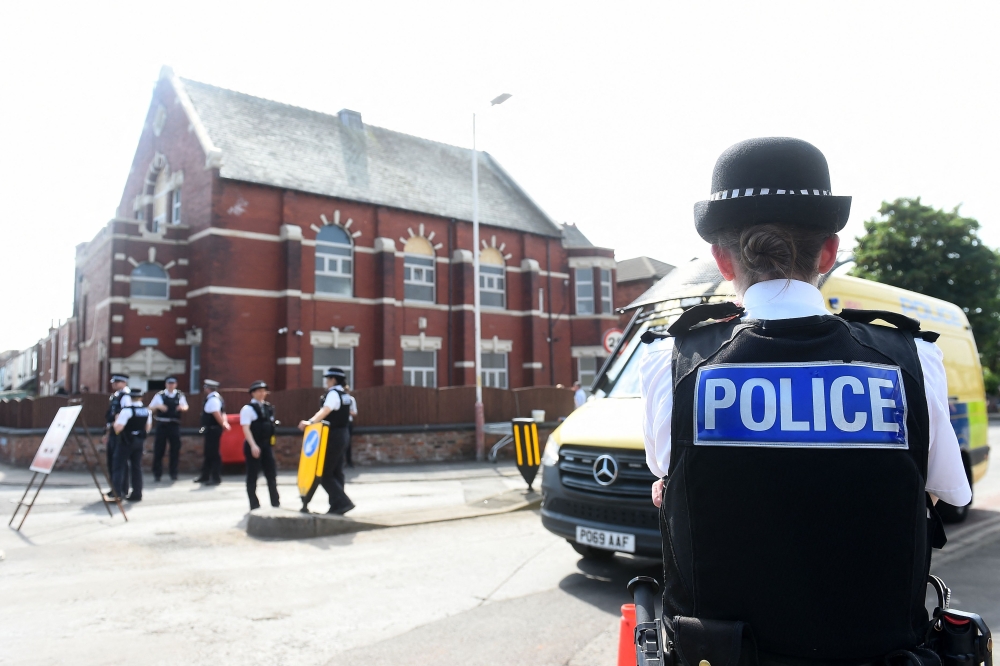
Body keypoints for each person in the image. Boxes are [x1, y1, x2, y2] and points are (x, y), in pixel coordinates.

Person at [640, 137, 972, 662]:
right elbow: (951, 492)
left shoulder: (672, 359)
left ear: (722, 260)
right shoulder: (908, 357)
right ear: (830, 250)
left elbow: (668, 472)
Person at [297, 367, 354, 514]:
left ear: (333, 380)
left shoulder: (333, 394)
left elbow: (326, 410)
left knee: (324, 472)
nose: (326, 382)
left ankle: (343, 502)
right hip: (344, 434)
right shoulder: (345, 395)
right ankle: (336, 506)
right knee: (337, 472)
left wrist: (310, 421)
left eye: (327, 379)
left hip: (333, 435)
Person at [240, 380, 279, 510]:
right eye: (259, 391)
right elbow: (246, 428)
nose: (262, 394)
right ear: (253, 393)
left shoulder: (268, 407)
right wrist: (253, 445)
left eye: (264, 391)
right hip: (254, 445)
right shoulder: (248, 409)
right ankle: (254, 505)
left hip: (266, 444)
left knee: (271, 474)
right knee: (252, 475)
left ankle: (275, 503)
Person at [148, 376, 189, 481]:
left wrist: (182, 408)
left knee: (175, 449)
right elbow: (150, 408)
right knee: (159, 450)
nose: (171, 385)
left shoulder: (179, 395)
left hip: (174, 424)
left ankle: (173, 473)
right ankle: (157, 474)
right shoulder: (159, 395)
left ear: (175, 384)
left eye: (173, 383)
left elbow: (186, 407)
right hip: (162, 424)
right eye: (169, 383)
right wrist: (158, 406)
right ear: (166, 384)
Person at [113, 393, 151, 502]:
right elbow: (147, 427)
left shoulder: (126, 411)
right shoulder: (146, 410)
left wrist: (116, 420)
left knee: (119, 466)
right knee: (136, 467)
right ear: (141, 398)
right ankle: (137, 493)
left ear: (130, 398)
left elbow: (118, 428)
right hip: (139, 441)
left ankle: (117, 493)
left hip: (126, 440)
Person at [194, 379, 229, 485]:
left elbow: (216, 413)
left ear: (208, 389)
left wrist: (223, 424)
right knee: (209, 453)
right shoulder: (216, 398)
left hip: (213, 429)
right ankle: (205, 476)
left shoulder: (213, 399)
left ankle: (215, 478)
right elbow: (223, 412)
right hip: (212, 429)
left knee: (213, 454)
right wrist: (225, 423)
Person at [104, 374, 132, 498]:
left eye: (117, 382)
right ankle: (115, 488)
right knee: (112, 462)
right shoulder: (116, 396)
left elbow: (124, 414)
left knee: (119, 463)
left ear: (124, 382)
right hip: (113, 431)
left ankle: (120, 489)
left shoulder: (126, 396)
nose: (114, 384)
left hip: (121, 433)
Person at [344, 385, 357, 468]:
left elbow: (355, 413)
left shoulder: (351, 400)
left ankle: (349, 461)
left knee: (348, 442)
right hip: (340, 422)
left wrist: (347, 411)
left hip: (348, 422)